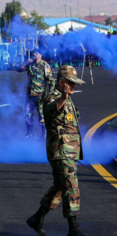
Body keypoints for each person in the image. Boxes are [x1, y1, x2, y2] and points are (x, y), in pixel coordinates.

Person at [26, 65, 86, 236]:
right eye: (70, 83)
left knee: (60, 188)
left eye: (74, 84)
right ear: (61, 83)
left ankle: (37, 219)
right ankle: (73, 228)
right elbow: (52, 110)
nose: (73, 86)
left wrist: (66, 96)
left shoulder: (66, 98)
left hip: (69, 152)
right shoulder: (53, 97)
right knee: (70, 186)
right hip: (61, 152)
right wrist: (63, 97)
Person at [17, 50, 55, 140]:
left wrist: (51, 95)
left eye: (37, 53)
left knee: (42, 117)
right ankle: (30, 134)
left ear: (41, 55)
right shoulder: (30, 64)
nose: (34, 54)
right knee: (27, 115)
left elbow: (51, 81)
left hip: (41, 96)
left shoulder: (45, 66)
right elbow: (18, 69)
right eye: (34, 53)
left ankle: (44, 135)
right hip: (30, 96)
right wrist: (27, 62)